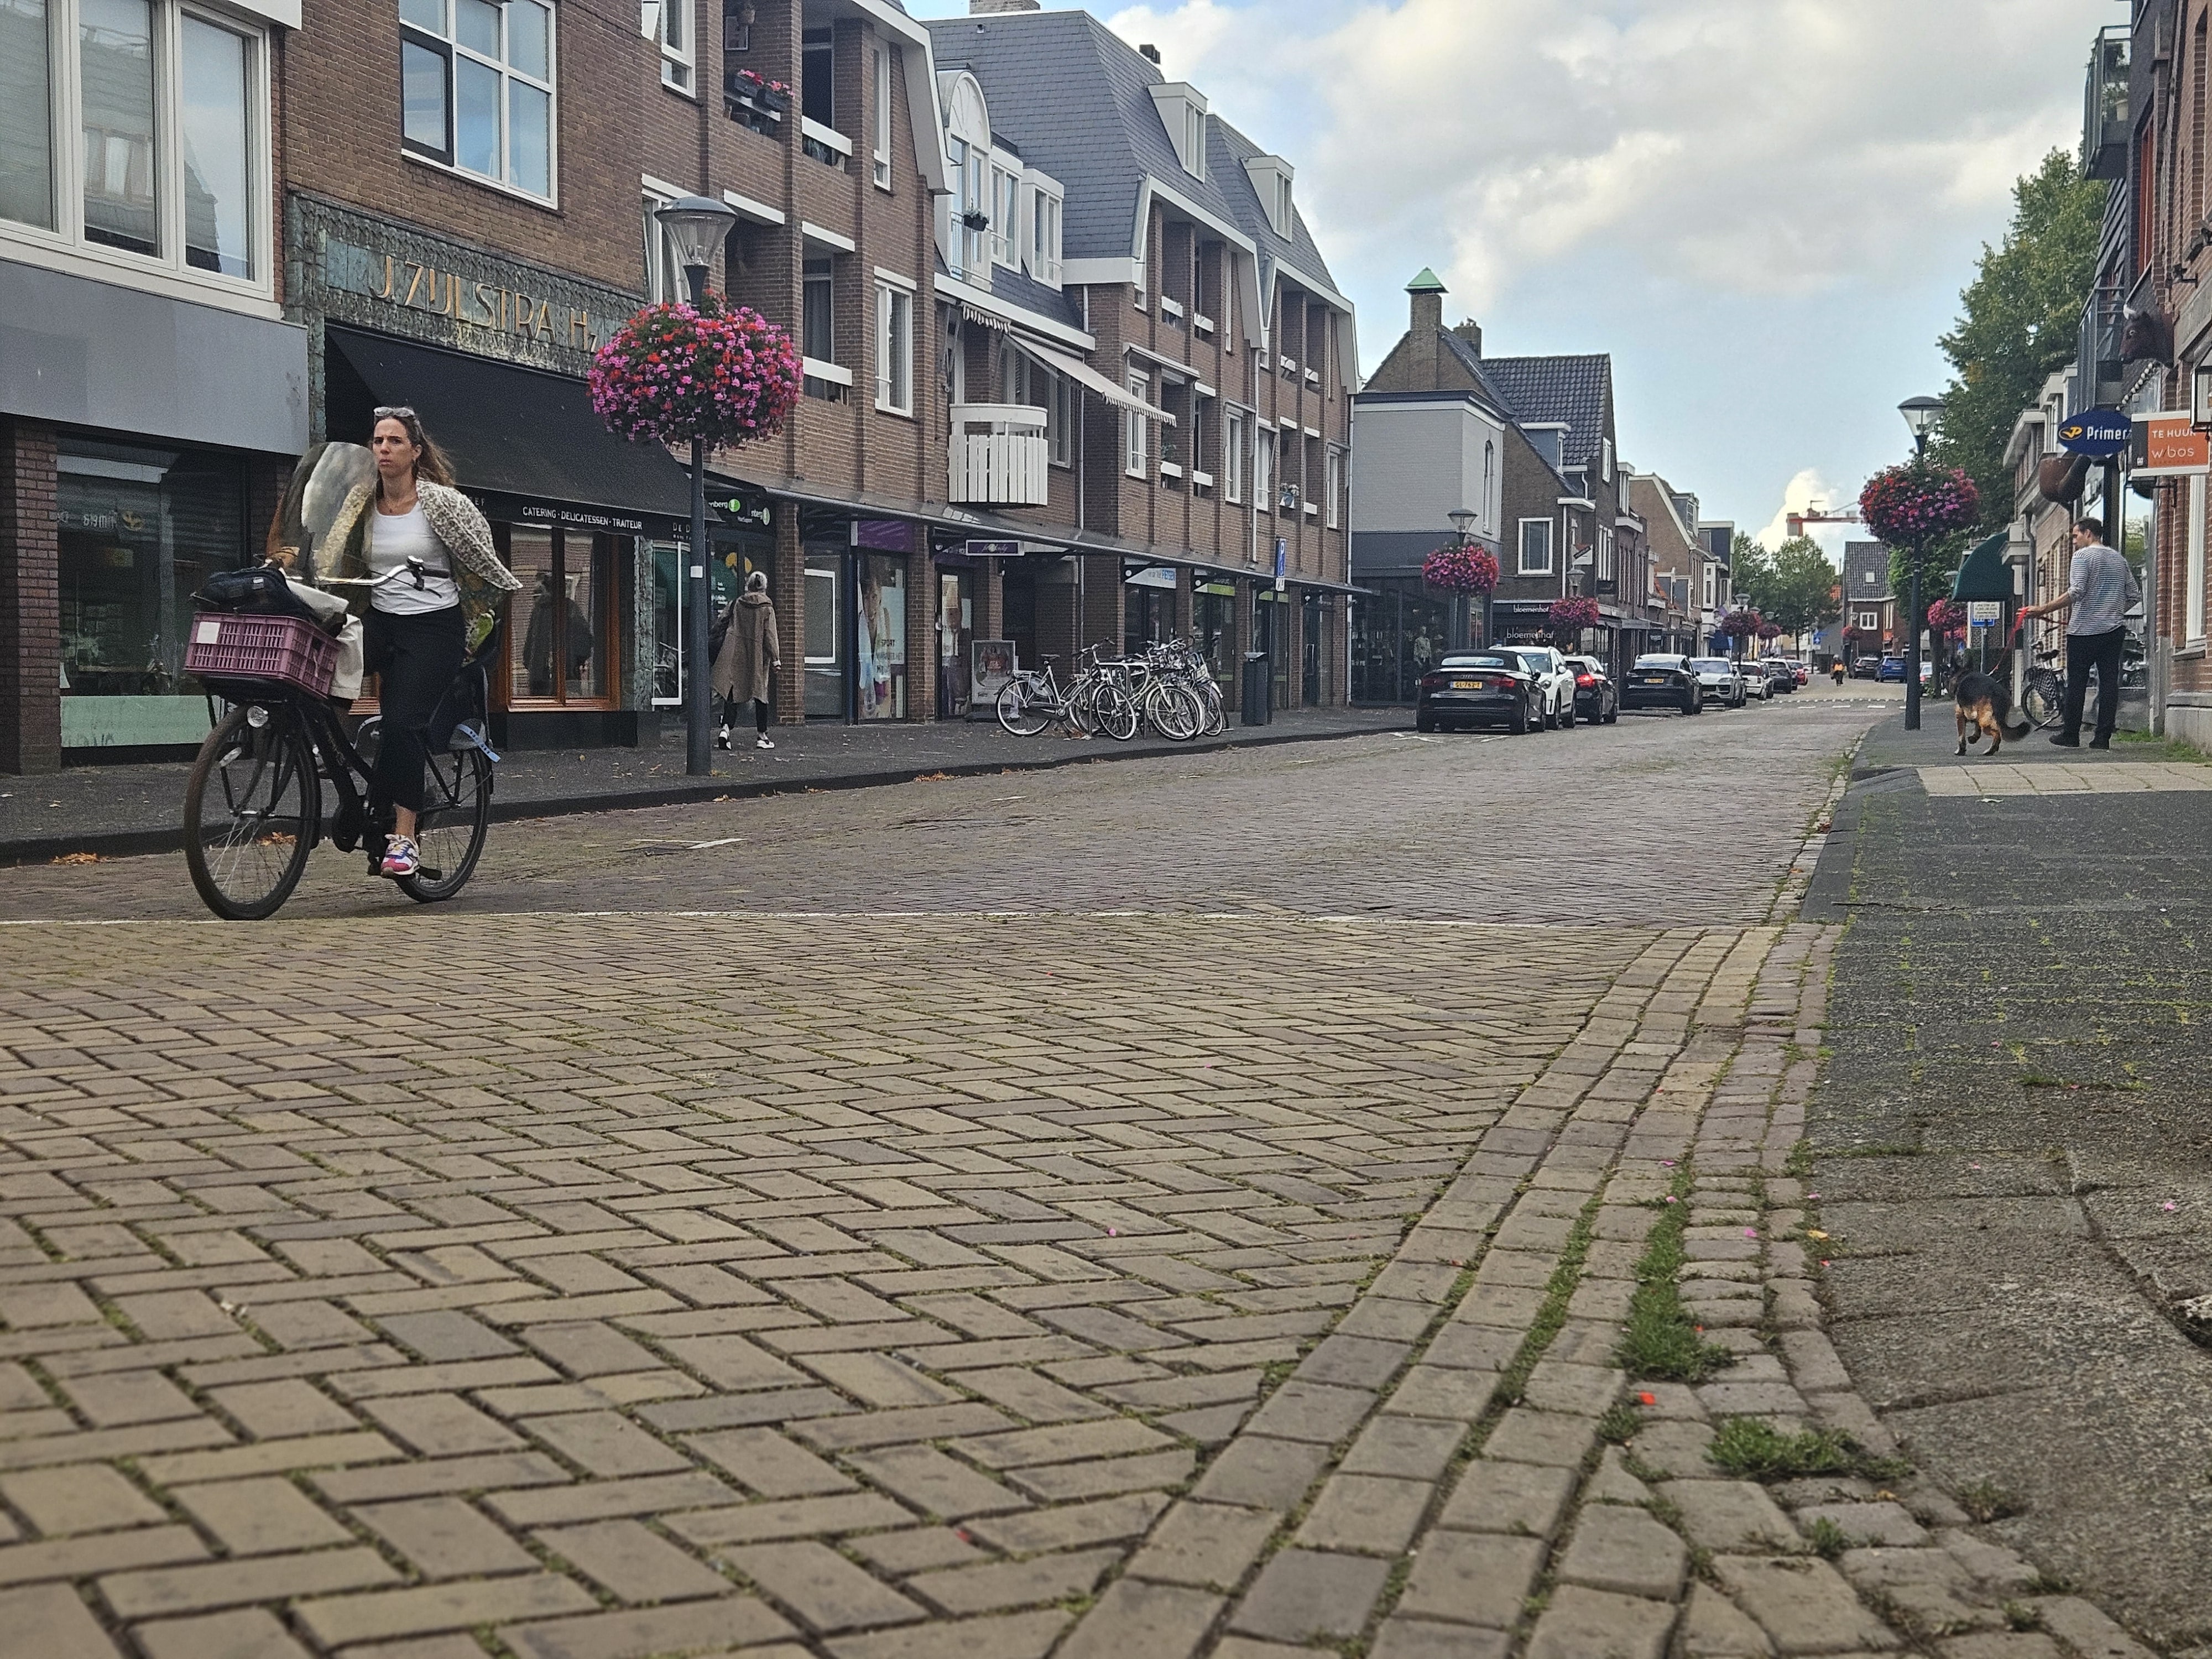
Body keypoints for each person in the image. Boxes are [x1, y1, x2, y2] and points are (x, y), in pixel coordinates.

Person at [320, 408, 520, 877]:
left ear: (415, 452)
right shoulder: (360, 503)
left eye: (394, 441)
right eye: (377, 441)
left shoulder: (443, 503)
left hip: (434, 627)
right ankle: (326, 752)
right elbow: (332, 552)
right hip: (381, 619)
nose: (384, 449)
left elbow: (482, 559)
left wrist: (480, 616)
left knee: (402, 724)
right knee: (322, 664)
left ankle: (405, 838)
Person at [2020, 515, 2141, 750]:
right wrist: (2114, 611)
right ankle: (2102, 738)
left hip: (2083, 632)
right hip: (2113, 631)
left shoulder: (2082, 556)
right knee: (2109, 684)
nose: (2074, 542)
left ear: (2088, 533)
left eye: (2076, 536)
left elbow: (2076, 592)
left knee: (2076, 684)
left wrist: (2043, 609)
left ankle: (2071, 734)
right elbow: (2134, 595)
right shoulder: (2119, 559)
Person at [713, 570, 781, 750]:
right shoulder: (767, 607)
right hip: (757, 656)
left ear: (748, 586)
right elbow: (770, 635)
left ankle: (725, 730)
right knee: (760, 694)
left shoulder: (737, 603)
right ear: (764, 588)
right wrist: (776, 659)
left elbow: (721, 621)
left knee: (732, 692)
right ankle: (762, 736)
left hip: (736, 653)